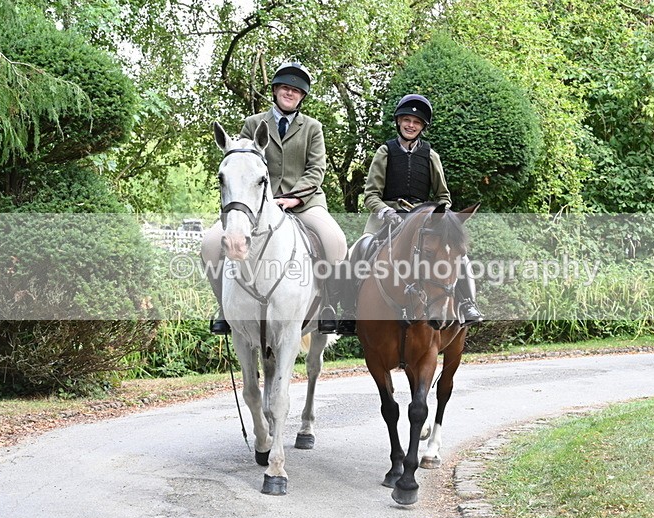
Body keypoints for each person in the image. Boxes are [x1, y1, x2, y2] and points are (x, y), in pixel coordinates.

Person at [201, 61, 348, 335]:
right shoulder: (253, 123)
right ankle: (226, 308)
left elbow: (317, 170)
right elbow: (239, 164)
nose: (289, 93)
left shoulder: (312, 128)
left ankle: (327, 305)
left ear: (302, 96)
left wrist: (294, 198)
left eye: (296, 90)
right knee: (210, 245)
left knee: (335, 241)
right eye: (284, 87)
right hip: (258, 206)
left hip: (304, 203)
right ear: (275, 90)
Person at [356, 93, 484, 327]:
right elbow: (370, 194)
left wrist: (433, 214)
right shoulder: (385, 152)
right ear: (398, 122)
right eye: (406, 120)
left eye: (416, 122)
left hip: (423, 220)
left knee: (460, 255)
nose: (411, 125)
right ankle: (347, 310)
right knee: (360, 248)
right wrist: (385, 211)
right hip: (388, 217)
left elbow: (444, 196)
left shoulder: (430, 155)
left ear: (422, 127)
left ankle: (468, 303)